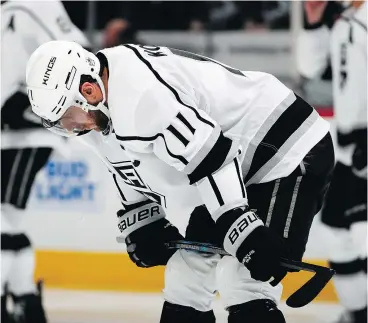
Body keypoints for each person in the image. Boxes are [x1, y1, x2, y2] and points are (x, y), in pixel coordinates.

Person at [25, 40, 334, 323]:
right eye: (61, 123)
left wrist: (238, 222)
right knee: (185, 279)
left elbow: (212, 154)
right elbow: (121, 159)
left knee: (242, 281)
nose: (71, 128)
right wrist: (141, 220)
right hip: (235, 161)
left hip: (286, 148)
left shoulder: (142, 95)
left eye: (69, 117)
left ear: (89, 90)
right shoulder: (97, 108)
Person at [1, 1, 89, 322]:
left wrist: (34, 102)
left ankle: (20, 303)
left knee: (5, 222)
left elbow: (77, 51)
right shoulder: (10, 9)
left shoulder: (34, 3)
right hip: (8, 132)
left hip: (23, 132)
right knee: (8, 222)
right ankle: (25, 301)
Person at [297, 2, 367, 322]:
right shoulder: (344, 19)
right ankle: (357, 311)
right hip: (349, 149)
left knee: (363, 232)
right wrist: (313, 23)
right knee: (336, 230)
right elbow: (311, 70)